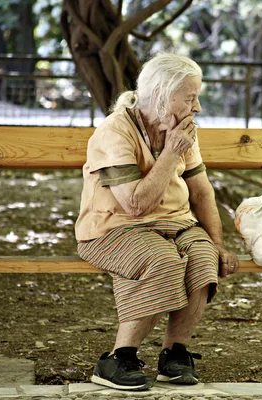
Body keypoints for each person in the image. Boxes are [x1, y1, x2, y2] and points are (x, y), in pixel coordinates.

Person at [75, 52, 239, 391]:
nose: (198, 108)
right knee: (163, 260)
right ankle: (118, 359)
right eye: (191, 98)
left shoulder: (180, 130)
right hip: (113, 229)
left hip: (174, 224)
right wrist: (170, 153)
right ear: (162, 94)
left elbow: (202, 193)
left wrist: (218, 243)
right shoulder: (114, 132)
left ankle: (174, 354)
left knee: (204, 259)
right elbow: (135, 204)